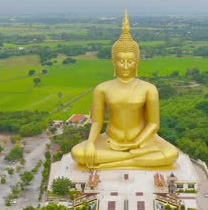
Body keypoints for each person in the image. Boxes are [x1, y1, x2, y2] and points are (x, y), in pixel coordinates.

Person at [71, 12, 179, 169]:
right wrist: (90, 144)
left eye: (130, 61)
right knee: (78, 153)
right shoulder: (102, 88)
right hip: (111, 139)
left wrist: (137, 143)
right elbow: (97, 122)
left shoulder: (148, 88)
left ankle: (121, 160)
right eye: (121, 61)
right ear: (114, 62)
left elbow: (154, 124)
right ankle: (133, 159)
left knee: (171, 154)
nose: (126, 66)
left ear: (137, 62)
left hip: (143, 140)